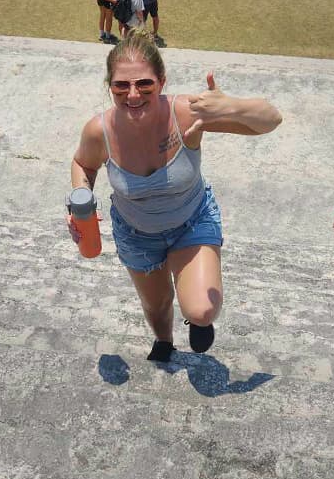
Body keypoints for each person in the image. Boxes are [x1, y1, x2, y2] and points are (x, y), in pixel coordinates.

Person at [68, 30, 282, 362]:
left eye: (144, 84)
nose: (133, 95)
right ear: (110, 86)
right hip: (136, 234)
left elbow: (270, 121)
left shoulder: (184, 112)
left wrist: (232, 106)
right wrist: (80, 195)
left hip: (191, 222)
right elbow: (83, 163)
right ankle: (165, 340)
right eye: (121, 86)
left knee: (201, 309)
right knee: (156, 304)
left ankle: (198, 318)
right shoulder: (100, 131)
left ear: (162, 81)